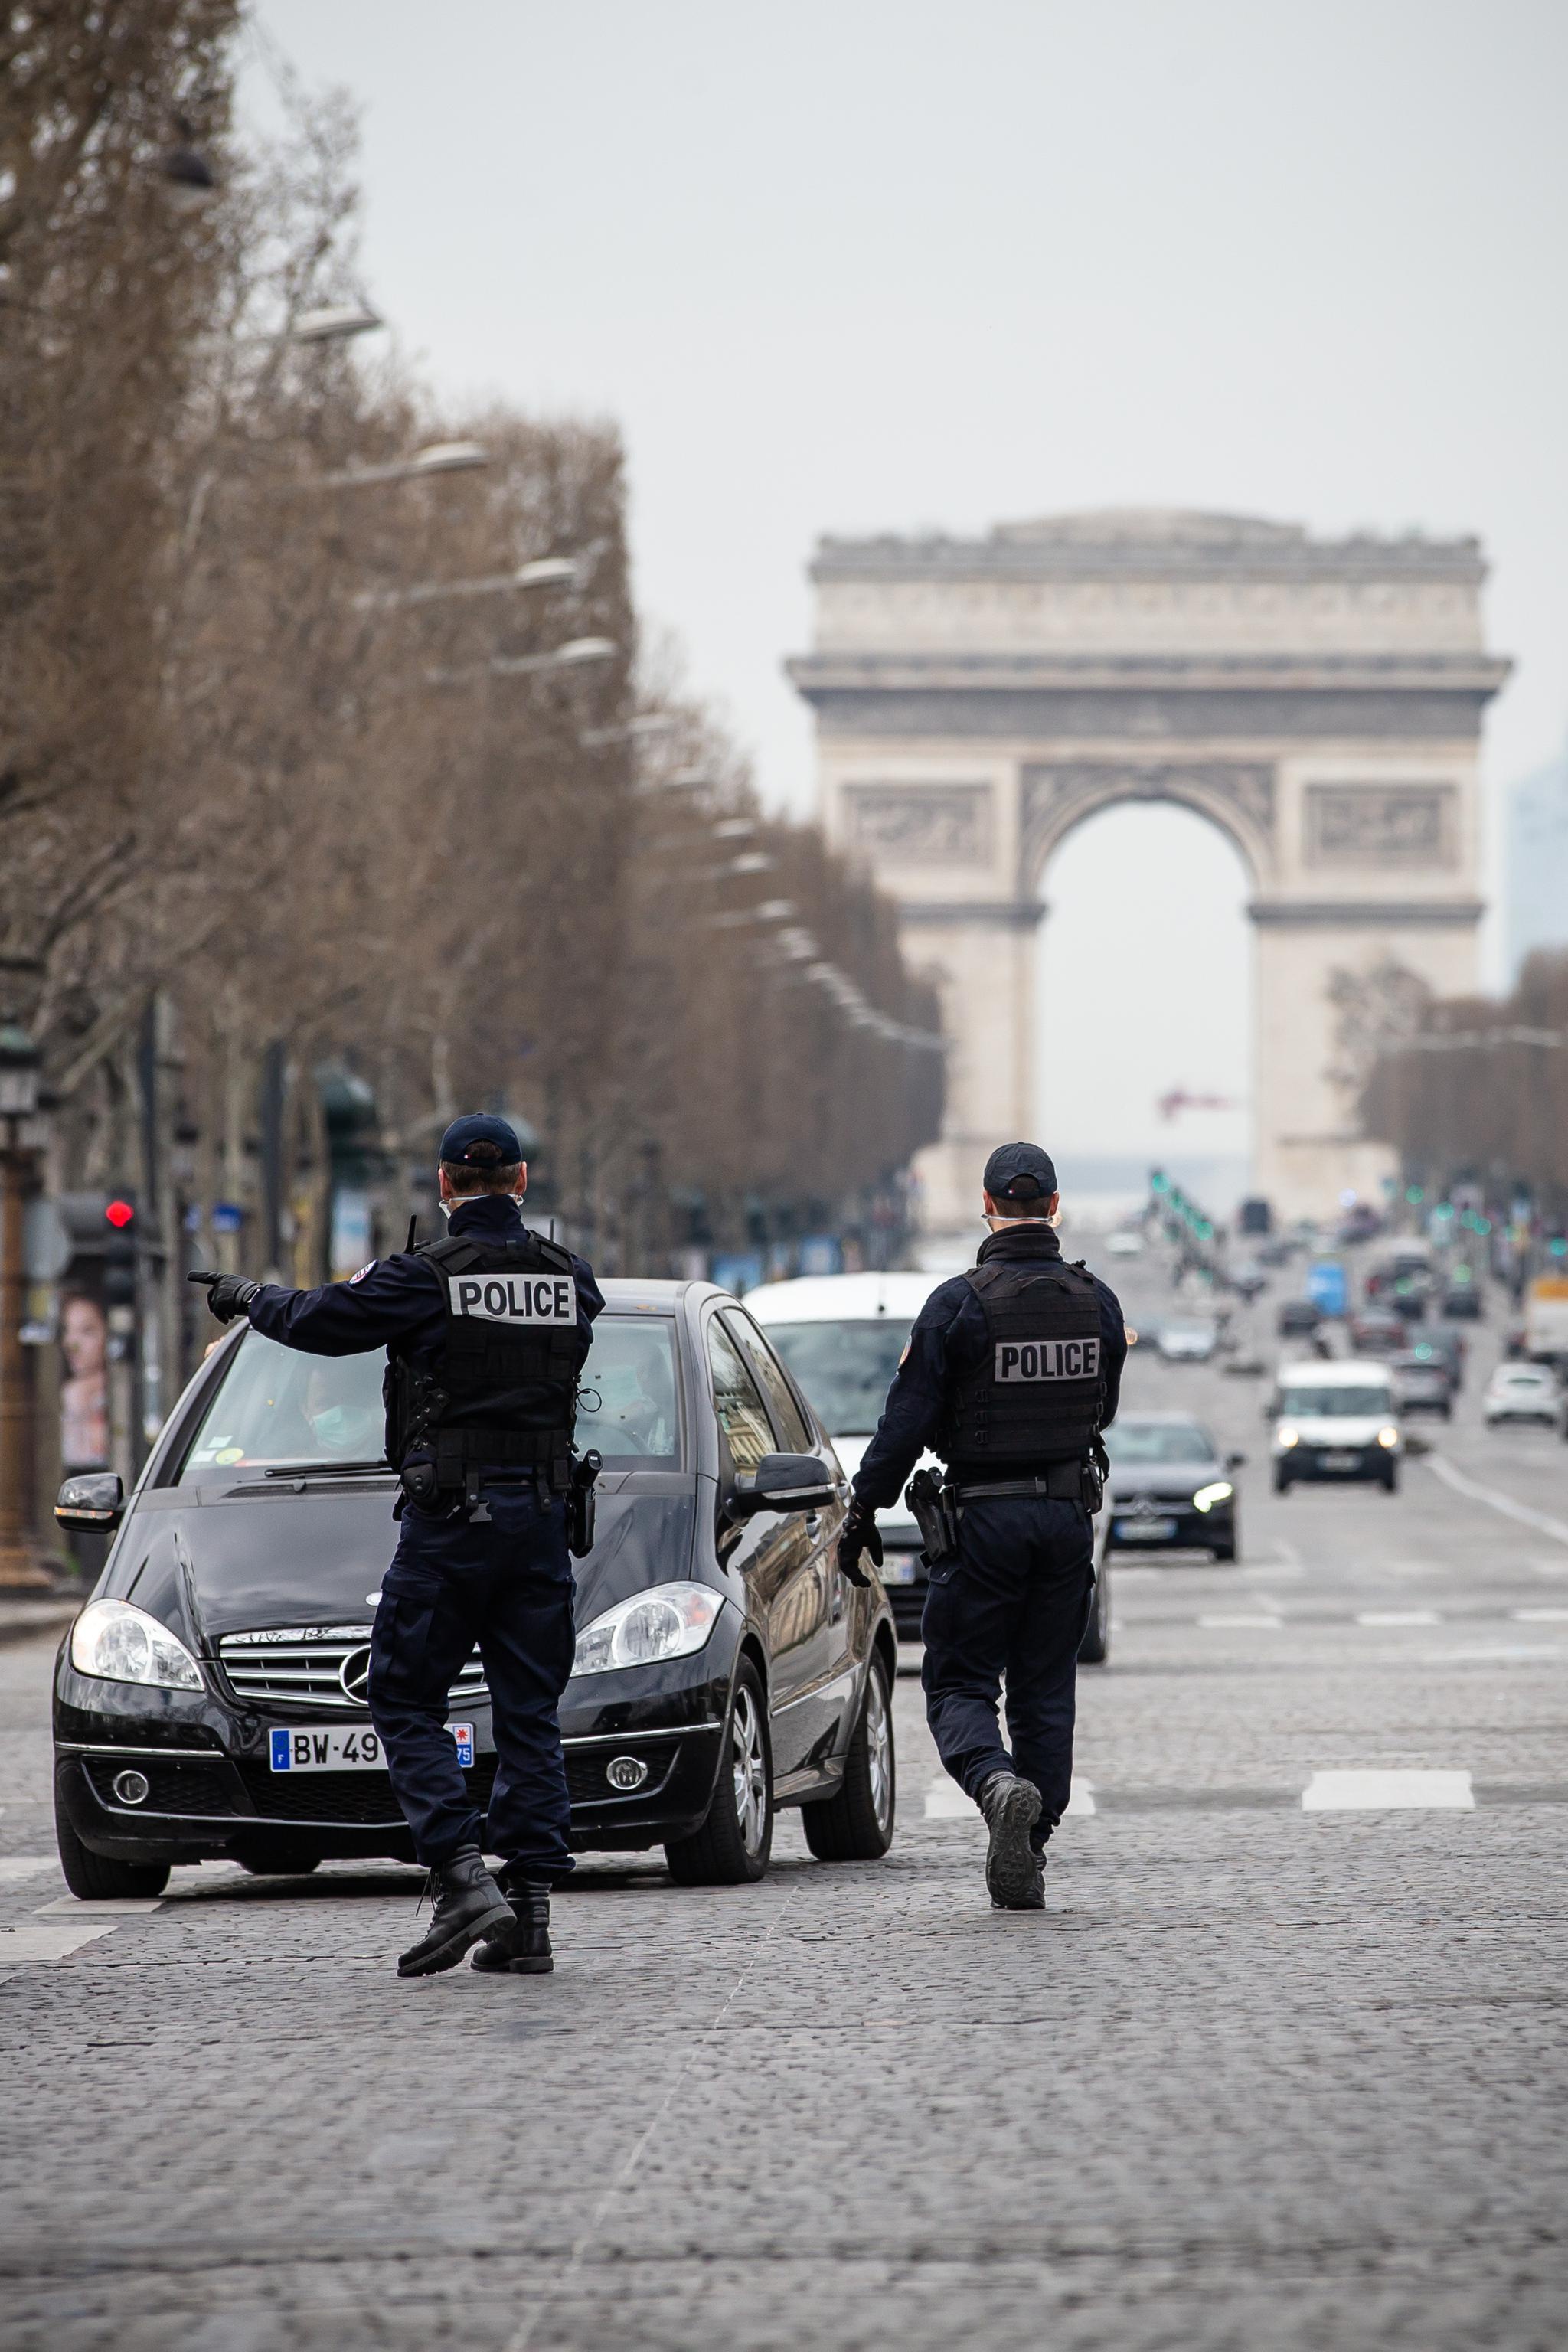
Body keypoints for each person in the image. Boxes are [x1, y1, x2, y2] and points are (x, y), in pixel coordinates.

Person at [192, 1114, 603, 1978]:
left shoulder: (423, 1279)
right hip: (538, 1524)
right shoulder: (571, 1278)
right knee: (529, 1714)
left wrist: (245, 1296)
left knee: (404, 1694)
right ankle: (528, 1916)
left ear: (445, 1183)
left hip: (451, 1524)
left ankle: (459, 1875)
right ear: (521, 1181)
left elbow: (319, 1321)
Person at [838, 1142, 1126, 1911]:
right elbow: (1102, 1411)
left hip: (981, 1518)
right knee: (1045, 1688)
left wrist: (862, 1510)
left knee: (960, 1680)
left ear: (985, 1205)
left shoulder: (957, 1303)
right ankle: (1030, 1847)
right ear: (1055, 1206)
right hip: (1065, 1516)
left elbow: (903, 1426)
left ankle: (996, 1786)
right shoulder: (1094, 1301)